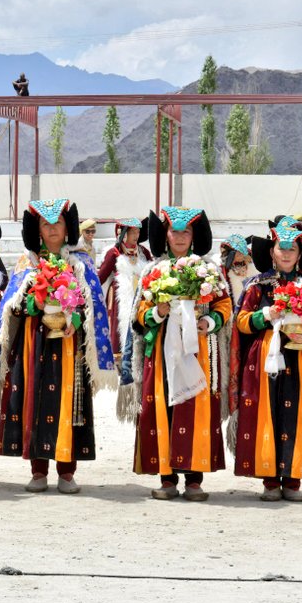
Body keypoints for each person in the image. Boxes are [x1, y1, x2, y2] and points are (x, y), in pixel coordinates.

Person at [0, 199, 115, 493]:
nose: (52, 230)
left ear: (67, 227)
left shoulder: (81, 261)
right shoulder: (27, 263)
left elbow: (94, 303)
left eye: (57, 223)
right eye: (46, 224)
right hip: (33, 342)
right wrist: (35, 303)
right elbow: (11, 304)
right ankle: (38, 470)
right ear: (37, 228)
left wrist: (72, 313)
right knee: (33, 400)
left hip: (70, 344)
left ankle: (66, 471)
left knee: (69, 402)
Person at [120, 208, 232, 501]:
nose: (180, 237)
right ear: (165, 235)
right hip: (161, 355)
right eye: (174, 231)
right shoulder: (152, 271)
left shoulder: (209, 270)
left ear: (195, 235)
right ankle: (166, 478)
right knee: (164, 407)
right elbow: (138, 313)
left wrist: (209, 321)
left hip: (198, 351)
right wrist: (157, 312)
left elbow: (224, 306)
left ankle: (195, 479)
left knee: (194, 409)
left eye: (186, 232)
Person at [230, 224, 302, 502]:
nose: (287, 253)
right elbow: (241, 322)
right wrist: (266, 314)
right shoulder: (257, 286)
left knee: (297, 415)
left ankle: (293, 479)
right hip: (265, 361)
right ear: (272, 252)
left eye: (293, 248)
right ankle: (268, 480)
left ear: (301, 253)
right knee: (268, 414)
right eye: (282, 248)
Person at [97, 217, 152, 360]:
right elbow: (100, 277)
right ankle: (119, 360)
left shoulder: (143, 252)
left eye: (138, 232)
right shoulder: (114, 253)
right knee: (120, 330)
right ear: (123, 233)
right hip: (120, 300)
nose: (136, 236)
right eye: (133, 232)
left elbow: (152, 272)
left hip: (140, 298)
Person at [219, 233, 258, 307]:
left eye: (241, 252)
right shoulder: (223, 270)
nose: (240, 254)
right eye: (237, 252)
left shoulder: (251, 266)